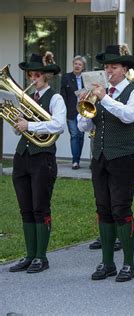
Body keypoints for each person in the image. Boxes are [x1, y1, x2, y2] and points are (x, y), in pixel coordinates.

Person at [77, 44, 134, 282]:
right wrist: (86, 108)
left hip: (125, 156)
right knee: (103, 209)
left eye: (114, 67)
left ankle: (128, 264)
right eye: (106, 67)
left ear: (125, 69)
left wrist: (104, 98)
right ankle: (107, 263)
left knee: (121, 208)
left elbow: (129, 115)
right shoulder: (98, 94)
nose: (109, 71)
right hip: (100, 156)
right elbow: (83, 126)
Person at [9, 52, 66, 273]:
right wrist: (17, 122)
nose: (33, 78)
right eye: (30, 74)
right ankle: (29, 255)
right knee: (25, 209)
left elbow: (58, 125)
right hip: (22, 156)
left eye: (37, 74)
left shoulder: (56, 98)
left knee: (40, 207)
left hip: (43, 158)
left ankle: (41, 257)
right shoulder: (27, 98)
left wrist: (30, 126)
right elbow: (18, 130)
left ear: (46, 76)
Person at [60, 55, 86, 170]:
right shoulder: (66, 77)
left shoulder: (86, 78)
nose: (77, 66)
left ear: (83, 67)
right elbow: (63, 95)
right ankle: (75, 161)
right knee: (74, 135)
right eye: (76, 63)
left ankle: (78, 159)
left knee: (81, 136)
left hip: (84, 111)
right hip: (71, 111)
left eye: (80, 64)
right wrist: (63, 111)